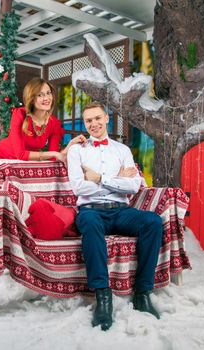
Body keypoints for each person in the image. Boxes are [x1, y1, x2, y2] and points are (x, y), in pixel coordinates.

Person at [67, 101, 163, 331]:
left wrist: (100, 178)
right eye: (89, 120)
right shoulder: (76, 151)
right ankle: (103, 297)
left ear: (107, 118)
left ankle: (142, 293)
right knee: (89, 223)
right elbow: (79, 188)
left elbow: (132, 186)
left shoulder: (122, 150)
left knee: (153, 222)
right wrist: (116, 178)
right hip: (91, 211)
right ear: (85, 123)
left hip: (121, 211)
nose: (94, 124)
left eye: (98, 118)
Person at [0, 77, 85, 162]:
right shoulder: (20, 114)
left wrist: (70, 145)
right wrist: (53, 154)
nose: (47, 98)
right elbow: (21, 155)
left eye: (48, 93)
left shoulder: (54, 123)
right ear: (32, 99)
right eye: (40, 95)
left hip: (22, 165)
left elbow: (53, 159)